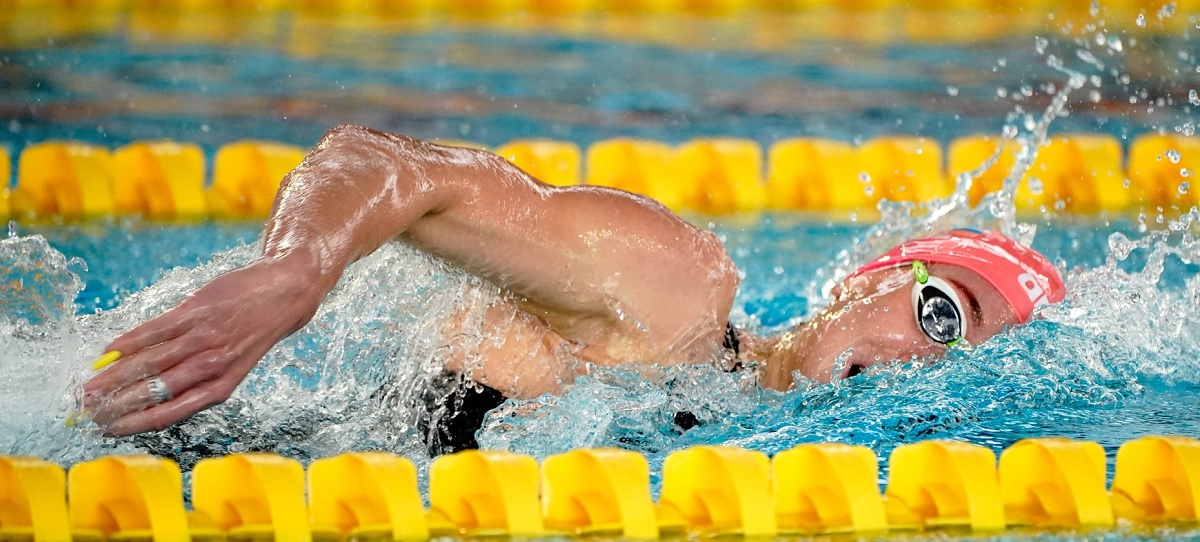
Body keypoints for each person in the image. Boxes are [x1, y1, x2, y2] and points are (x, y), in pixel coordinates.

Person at [80, 124, 1066, 452]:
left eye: (957, 358)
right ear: (873, 279)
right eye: (942, 312)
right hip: (152, 445)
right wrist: (294, 270)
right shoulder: (676, 292)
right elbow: (392, 164)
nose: (920, 359)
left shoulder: (745, 444)